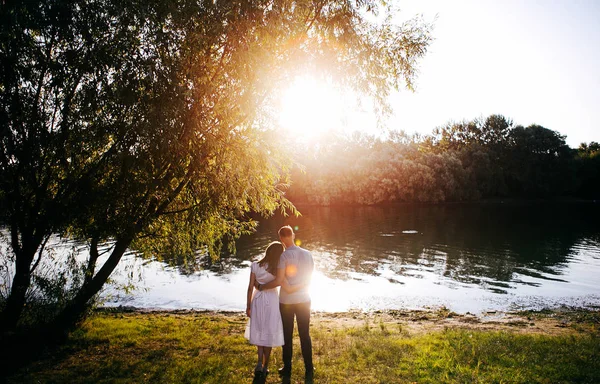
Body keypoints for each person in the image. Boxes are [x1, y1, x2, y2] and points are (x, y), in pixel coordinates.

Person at [257, 225, 314, 383]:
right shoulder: (308, 254)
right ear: (293, 235)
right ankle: (309, 367)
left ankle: (287, 367)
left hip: (287, 302)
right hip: (304, 299)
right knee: (305, 334)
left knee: (287, 335)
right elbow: (309, 277)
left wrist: (263, 286)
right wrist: (300, 286)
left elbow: (279, 280)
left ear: (281, 239)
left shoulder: (283, 257)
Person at [244, 241, 306, 380]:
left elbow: (250, 287)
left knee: (259, 330)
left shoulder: (255, 265)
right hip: (272, 301)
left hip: (257, 300)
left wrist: (248, 305)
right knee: (269, 332)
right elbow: (282, 283)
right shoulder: (277, 269)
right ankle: (265, 366)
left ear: (267, 250)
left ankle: (259, 364)